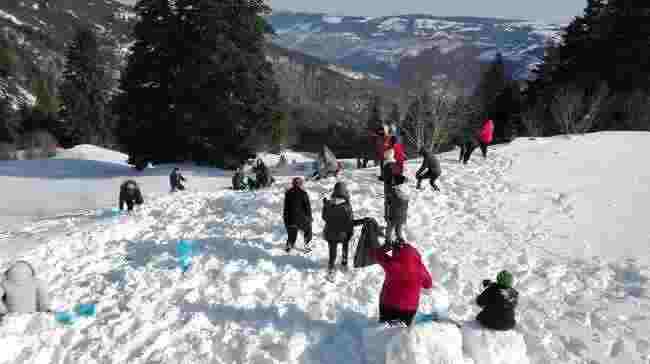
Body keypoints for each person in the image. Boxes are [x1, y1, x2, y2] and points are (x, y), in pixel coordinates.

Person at [370, 241, 433, 326]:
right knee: (401, 334)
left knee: (385, 330)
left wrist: (385, 247)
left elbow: (377, 254)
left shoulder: (392, 263)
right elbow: (428, 284)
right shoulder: (419, 267)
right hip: (409, 310)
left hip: (388, 305)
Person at [322, 182, 354, 278]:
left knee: (332, 250)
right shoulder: (347, 206)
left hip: (330, 232)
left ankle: (331, 266)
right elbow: (350, 221)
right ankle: (344, 262)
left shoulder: (328, 203)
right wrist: (350, 232)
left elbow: (324, 217)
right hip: (343, 233)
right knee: (345, 246)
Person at [283, 177, 313, 253]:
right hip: (301, 219)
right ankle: (307, 245)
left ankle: (289, 246)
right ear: (300, 184)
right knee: (308, 229)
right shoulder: (303, 193)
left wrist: (285, 218)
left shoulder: (288, 193)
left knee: (292, 233)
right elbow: (307, 208)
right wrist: (309, 218)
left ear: (293, 184)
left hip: (289, 219)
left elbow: (286, 207)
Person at [386, 174, 409, 246]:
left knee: (390, 228)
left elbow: (390, 201)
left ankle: (388, 242)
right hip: (403, 214)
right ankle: (400, 241)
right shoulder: (406, 190)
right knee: (399, 228)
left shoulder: (394, 190)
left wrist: (389, 198)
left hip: (394, 214)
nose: (392, 182)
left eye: (393, 180)